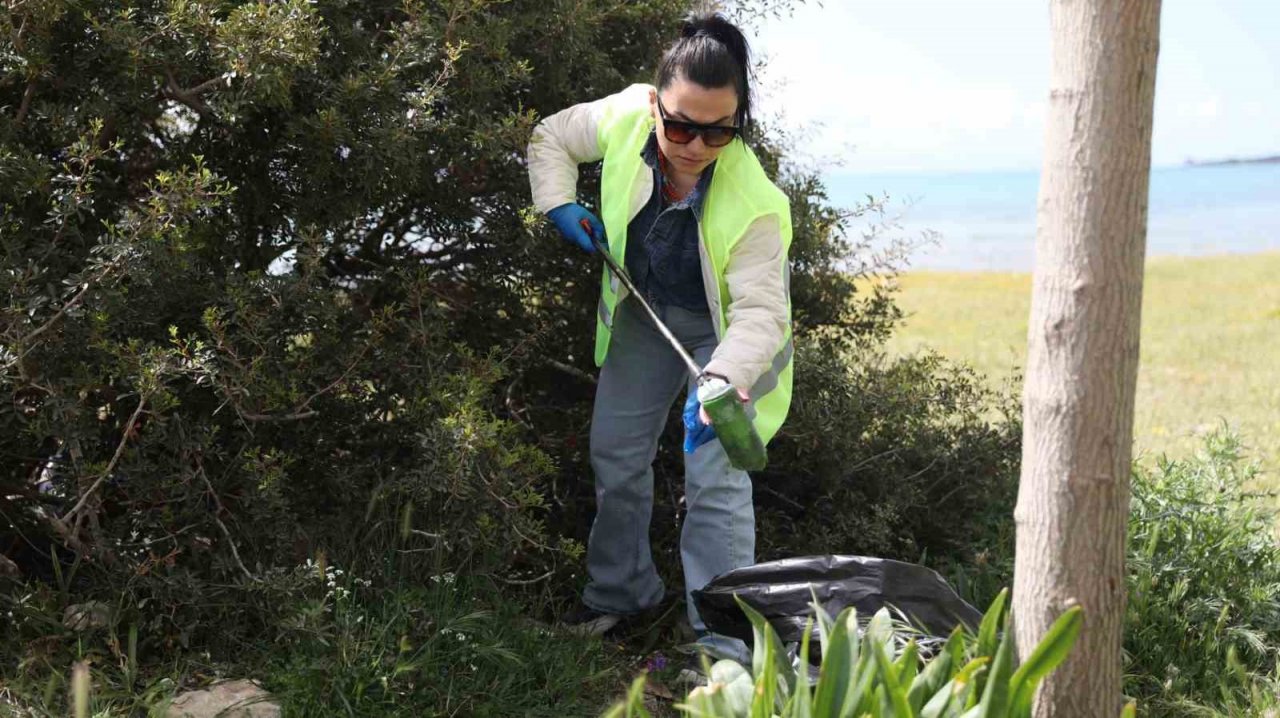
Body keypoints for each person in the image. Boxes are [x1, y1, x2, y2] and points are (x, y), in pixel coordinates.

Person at [526, 11, 793, 662]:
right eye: (679, 125)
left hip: (724, 337)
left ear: (736, 125)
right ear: (655, 107)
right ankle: (621, 596)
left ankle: (724, 650)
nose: (694, 146)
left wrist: (725, 384)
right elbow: (550, 138)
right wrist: (559, 203)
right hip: (645, 316)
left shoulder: (756, 202)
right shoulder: (624, 115)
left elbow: (761, 316)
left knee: (718, 479)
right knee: (615, 455)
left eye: (716, 132)